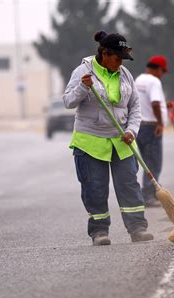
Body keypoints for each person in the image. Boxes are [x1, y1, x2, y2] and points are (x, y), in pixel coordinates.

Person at [63, 30, 153, 246]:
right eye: (117, 58)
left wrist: (132, 130)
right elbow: (68, 101)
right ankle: (99, 231)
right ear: (105, 53)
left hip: (121, 139)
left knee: (129, 184)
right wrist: (83, 87)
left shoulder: (125, 75)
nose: (121, 63)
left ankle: (137, 228)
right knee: (95, 188)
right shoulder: (84, 72)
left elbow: (135, 108)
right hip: (91, 141)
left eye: (123, 59)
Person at [135, 55, 169, 207]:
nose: (162, 74)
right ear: (157, 69)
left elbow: (146, 103)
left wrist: (165, 106)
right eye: (162, 71)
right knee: (154, 163)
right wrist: (160, 123)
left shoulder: (138, 80)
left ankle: (149, 193)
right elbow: (155, 103)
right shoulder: (154, 81)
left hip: (139, 126)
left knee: (147, 162)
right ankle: (149, 196)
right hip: (151, 126)